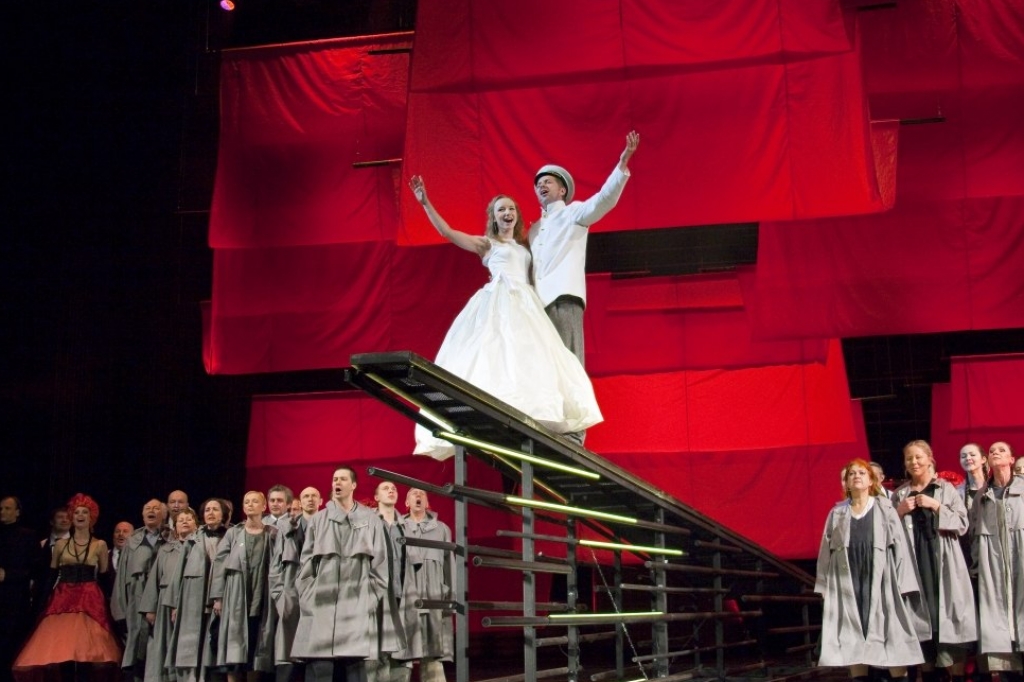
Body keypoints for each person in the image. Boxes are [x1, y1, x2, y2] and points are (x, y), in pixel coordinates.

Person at [408, 176, 603, 460]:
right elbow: (448, 232)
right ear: (494, 217)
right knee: (495, 355)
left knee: (530, 361)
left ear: (517, 215)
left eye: (511, 208)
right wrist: (425, 202)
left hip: (528, 304)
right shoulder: (487, 244)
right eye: (501, 209)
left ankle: (533, 419)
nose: (507, 212)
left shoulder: (526, 245)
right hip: (499, 303)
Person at [530, 131, 640, 364]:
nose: (541, 186)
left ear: (562, 191)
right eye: (538, 184)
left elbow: (603, 200)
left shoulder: (572, 213)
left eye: (547, 182)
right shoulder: (533, 229)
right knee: (543, 365)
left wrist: (622, 163)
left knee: (569, 362)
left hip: (563, 297)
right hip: (536, 304)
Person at [815, 459, 922, 681]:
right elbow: (826, 551)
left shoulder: (885, 509)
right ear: (846, 482)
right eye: (852, 474)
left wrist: (904, 584)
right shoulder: (837, 513)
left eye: (862, 473)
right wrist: (824, 586)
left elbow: (900, 547)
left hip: (882, 580)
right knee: (853, 635)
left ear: (871, 480)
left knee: (891, 634)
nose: (856, 476)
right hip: (849, 582)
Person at [292, 466, 389, 682]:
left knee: (354, 673)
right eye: (335, 479)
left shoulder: (371, 520)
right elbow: (306, 564)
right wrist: (308, 595)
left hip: (356, 609)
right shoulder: (318, 520)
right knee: (320, 672)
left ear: (353, 485)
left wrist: (369, 600)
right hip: (321, 609)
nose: (337, 482)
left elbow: (380, 566)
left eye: (343, 479)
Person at [13, 493, 122, 682]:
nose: (80, 515)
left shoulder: (100, 545)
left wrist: (112, 607)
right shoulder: (61, 545)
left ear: (91, 516)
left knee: (88, 651)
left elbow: (105, 578)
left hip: (90, 600)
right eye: (76, 512)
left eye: (85, 512)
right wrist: (40, 605)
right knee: (62, 649)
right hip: (63, 599)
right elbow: (51, 577)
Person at [892, 440, 977, 682]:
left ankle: (956, 675)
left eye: (918, 457)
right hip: (914, 564)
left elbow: (962, 524)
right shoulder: (900, 494)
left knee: (951, 621)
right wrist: (898, 512)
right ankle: (929, 675)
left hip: (944, 562)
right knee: (923, 623)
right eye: (909, 458)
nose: (914, 462)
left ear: (930, 459)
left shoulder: (946, 489)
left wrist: (937, 506)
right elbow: (886, 532)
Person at [969, 441, 1024, 681]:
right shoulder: (982, 496)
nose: (995, 453)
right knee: (999, 629)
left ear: (1012, 459)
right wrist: (976, 566)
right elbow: (973, 533)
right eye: (992, 451)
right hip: (994, 568)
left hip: (1021, 563)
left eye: (1002, 450)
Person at [210, 492, 277, 682]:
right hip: (236, 596)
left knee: (256, 643)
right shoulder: (233, 533)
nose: (250, 504)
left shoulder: (272, 533)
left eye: (255, 501)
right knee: (234, 644)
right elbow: (220, 565)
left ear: (263, 506)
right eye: (246, 501)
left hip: (261, 596)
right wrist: (218, 597)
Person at [168, 499, 229, 682]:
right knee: (192, 643)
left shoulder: (231, 536)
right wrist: (175, 604)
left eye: (215, 509)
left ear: (224, 514)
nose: (210, 513)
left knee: (213, 645)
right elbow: (178, 573)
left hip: (220, 599)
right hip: (194, 598)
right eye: (207, 510)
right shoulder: (193, 539)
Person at [113, 499, 168, 680]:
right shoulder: (133, 541)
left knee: (159, 649)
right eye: (147, 508)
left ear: (163, 514)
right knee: (137, 649)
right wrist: (119, 611)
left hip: (161, 600)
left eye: (156, 508)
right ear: (143, 514)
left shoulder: (170, 538)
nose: (151, 511)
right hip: (136, 601)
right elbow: (121, 577)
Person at [141, 509, 192, 682]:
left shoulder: (199, 547)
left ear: (196, 524)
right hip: (165, 603)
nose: (184, 522)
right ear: (175, 527)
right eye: (180, 520)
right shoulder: (165, 550)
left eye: (188, 519)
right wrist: (150, 608)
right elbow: (154, 579)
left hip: (190, 602)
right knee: (163, 645)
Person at [365, 482, 406, 682]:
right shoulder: (368, 522)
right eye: (385, 488)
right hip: (377, 594)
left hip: (402, 594)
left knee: (401, 653)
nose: (391, 490)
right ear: (376, 497)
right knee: (375, 651)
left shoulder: (406, 525)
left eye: (394, 489)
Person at [1, 496, 37, 682]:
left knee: (11, 647)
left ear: (17, 512)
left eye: (7, 508)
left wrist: (8, 575)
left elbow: (35, 569)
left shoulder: (27, 536)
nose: (2, 512)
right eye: (1, 508)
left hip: (15, 601)